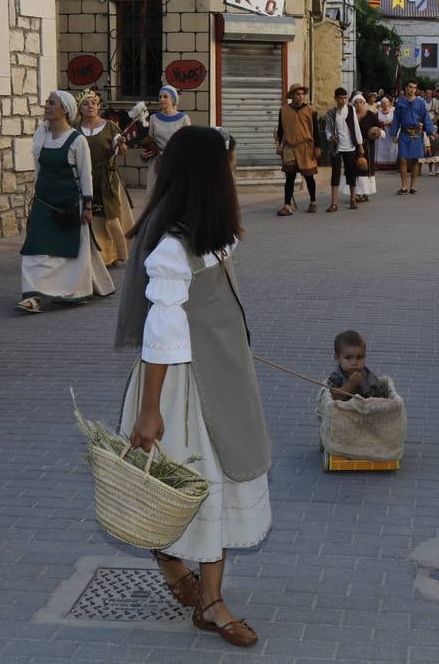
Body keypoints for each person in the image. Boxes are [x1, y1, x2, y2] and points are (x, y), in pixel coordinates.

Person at [115, 126, 270, 648]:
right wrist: (150, 411)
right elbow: (160, 334)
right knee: (200, 486)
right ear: (208, 176)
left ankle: (198, 589)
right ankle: (209, 597)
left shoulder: (209, 232)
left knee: (217, 486)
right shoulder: (171, 245)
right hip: (182, 386)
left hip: (220, 375)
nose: (232, 174)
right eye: (226, 166)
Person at [17, 90, 114, 313]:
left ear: (65, 110)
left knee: (67, 252)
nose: (47, 106)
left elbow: (85, 174)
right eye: (47, 103)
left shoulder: (77, 140)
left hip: (69, 204)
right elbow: (38, 171)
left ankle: (69, 291)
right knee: (34, 249)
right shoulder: (40, 136)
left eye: (52, 103)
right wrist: (33, 198)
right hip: (44, 203)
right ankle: (32, 296)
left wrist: (87, 206)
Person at [77, 88, 133, 267]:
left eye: (93, 103)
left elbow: (122, 152)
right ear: (80, 108)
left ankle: (116, 253)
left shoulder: (110, 126)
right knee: (92, 217)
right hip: (85, 177)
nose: (90, 106)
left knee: (110, 215)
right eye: (85, 103)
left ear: (99, 106)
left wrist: (120, 144)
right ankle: (100, 256)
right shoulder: (75, 129)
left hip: (107, 177)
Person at [137, 86, 191, 199]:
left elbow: (189, 145)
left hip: (175, 162)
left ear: (173, 100)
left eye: (165, 97)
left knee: (174, 196)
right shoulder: (154, 118)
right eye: (160, 97)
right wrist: (144, 154)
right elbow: (150, 140)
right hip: (157, 163)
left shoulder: (184, 118)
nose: (161, 99)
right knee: (155, 196)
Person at [275, 83, 319, 216]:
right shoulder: (283, 110)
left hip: (306, 147)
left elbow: (316, 131)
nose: (300, 97)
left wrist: (318, 147)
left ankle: (313, 202)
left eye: (302, 94)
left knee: (309, 177)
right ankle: (287, 205)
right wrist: (279, 146)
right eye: (297, 94)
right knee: (289, 178)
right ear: (292, 96)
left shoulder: (311, 110)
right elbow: (280, 131)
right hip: (289, 148)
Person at [322, 87, 364, 212]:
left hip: (350, 147)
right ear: (335, 99)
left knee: (351, 173)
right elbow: (327, 131)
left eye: (345, 98)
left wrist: (360, 145)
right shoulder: (330, 114)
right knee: (335, 173)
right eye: (341, 98)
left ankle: (352, 199)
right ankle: (334, 203)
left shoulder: (351, 110)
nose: (343, 100)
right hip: (336, 148)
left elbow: (356, 128)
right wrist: (331, 138)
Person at [392, 79, 435, 195]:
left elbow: (425, 117)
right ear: (406, 88)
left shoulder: (420, 102)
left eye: (414, 88)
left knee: (415, 161)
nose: (412, 90)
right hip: (404, 133)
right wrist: (394, 134)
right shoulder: (400, 102)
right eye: (410, 87)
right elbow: (396, 119)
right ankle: (404, 186)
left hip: (416, 134)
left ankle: (413, 186)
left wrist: (431, 131)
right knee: (402, 159)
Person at [326, 329, 391, 400]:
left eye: (359, 357)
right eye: (348, 358)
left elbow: (380, 396)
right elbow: (332, 397)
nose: (354, 363)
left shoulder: (368, 376)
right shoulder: (336, 377)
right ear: (337, 358)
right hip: (342, 410)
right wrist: (350, 385)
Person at [352, 93, 379, 203]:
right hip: (354, 146)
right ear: (353, 104)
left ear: (364, 103)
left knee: (366, 169)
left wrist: (375, 133)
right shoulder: (351, 115)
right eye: (356, 102)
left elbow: (378, 129)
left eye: (361, 102)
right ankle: (357, 193)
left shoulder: (370, 115)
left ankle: (365, 193)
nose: (359, 105)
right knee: (356, 168)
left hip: (368, 146)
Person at [373, 96, 397, 171]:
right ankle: (379, 164)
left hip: (390, 133)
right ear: (381, 104)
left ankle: (391, 164)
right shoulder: (378, 113)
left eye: (386, 103)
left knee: (391, 148)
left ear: (389, 103)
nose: (385, 104)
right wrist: (382, 124)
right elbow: (375, 122)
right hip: (381, 134)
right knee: (380, 148)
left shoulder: (393, 112)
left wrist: (391, 124)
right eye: (383, 103)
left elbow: (397, 122)